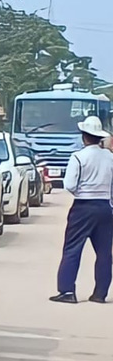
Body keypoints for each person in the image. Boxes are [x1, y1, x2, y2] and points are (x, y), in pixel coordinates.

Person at [51, 115, 113, 304]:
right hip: (105, 206)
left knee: (72, 249)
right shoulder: (110, 157)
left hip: (83, 206)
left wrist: (82, 191)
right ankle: (100, 293)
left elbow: (69, 184)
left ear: (84, 136)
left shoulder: (78, 157)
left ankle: (67, 291)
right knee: (104, 252)